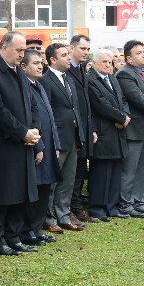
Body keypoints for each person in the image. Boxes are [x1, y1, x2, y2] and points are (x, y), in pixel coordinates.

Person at [0, 33, 41, 256]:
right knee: (1, 192)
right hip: (3, 144)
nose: (21, 55)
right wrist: (22, 132)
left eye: (24, 51)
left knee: (21, 191)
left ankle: (13, 236)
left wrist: (34, 130)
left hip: (24, 141)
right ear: (3, 48)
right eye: (18, 50)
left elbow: (33, 103)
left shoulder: (18, 73)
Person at [115, 40, 144, 218]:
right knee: (129, 169)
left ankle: (137, 200)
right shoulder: (124, 74)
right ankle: (126, 203)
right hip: (134, 129)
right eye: (139, 53)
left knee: (142, 169)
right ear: (128, 57)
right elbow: (137, 98)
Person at [40, 42, 84, 232]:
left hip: (72, 136)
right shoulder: (45, 80)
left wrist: (80, 133)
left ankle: (63, 215)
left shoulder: (69, 79)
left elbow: (75, 109)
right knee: (53, 181)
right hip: (57, 138)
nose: (68, 57)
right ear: (52, 59)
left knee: (68, 179)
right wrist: (53, 140)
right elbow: (47, 112)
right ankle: (48, 219)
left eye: (68, 54)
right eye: (64, 55)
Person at [23, 49, 60, 246]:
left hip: (48, 145)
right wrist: (40, 146)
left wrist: (56, 143)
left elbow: (50, 118)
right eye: (36, 63)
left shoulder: (40, 85)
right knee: (35, 190)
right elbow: (32, 120)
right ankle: (28, 230)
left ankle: (36, 229)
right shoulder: (24, 87)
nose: (40, 66)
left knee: (46, 188)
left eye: (41, 63)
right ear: (24, 66)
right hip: (37, 146)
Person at [85, 49, 128, 221]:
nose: (108, 65)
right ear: (95, 63)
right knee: (101, 173)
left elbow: (123, 100)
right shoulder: (90, 80)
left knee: (115, 171)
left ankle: (112, 206)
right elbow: (100, 104)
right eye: (104, 62)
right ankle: (97, 207)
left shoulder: (112, 78)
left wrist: (124, 116)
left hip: (118, 132)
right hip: (104, 131)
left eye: (110, 62)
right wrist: (121, 117)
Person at [66, 35, 94, 223]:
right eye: (82, 48)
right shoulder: (67, 70)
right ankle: (68, 209)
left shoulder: (82, 70)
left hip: (84, 126)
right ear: (72, 48)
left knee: (80, 169)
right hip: (71, 128)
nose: (85, 52)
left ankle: (75, 207)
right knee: (72, 171)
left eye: (87, 49)